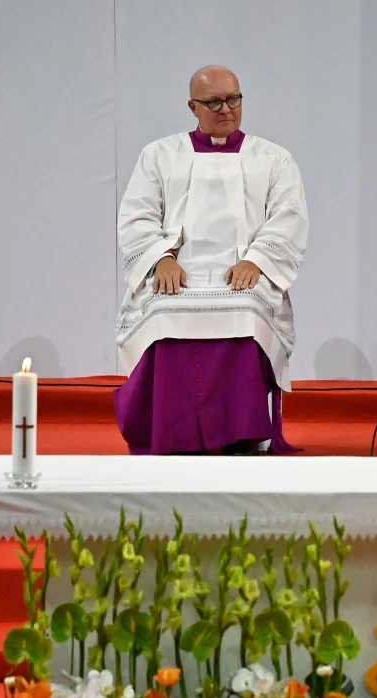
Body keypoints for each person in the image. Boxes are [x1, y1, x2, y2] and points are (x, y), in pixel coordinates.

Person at [114, 65, 308, 455]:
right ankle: (171, 434)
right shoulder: (159, 155)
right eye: (214, 102)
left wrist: (257, 260)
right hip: (177, 272)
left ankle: (241, 435)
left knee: (248, 311)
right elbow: (137, 216)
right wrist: (161, 259)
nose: (226, 109)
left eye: (233, 99)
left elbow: (289, 217)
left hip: (243, 273)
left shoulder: (273, 158)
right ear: (193, 106)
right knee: (163, 312)